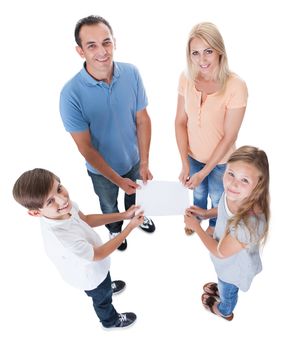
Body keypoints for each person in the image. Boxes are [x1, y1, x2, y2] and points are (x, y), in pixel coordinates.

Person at [60, 15, 155, 251]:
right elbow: (86, 148)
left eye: (106, 42)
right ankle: (116, 231)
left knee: (135, 197)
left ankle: (137, 219)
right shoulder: (70, 94)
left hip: (133, 161)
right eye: (91, 45)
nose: (102, 51)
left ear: (114, 42)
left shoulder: (131, 73)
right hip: (102, 173)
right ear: (80, 51)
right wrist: (116, 179)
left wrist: (144, 162)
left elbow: (142, 120)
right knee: (109, 204)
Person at [12, 168, 144, 329]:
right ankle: (110, 321)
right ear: (35, 213)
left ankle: (107, 286)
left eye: (59, 188)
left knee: (105, 282)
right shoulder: (63, 238)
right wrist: (129, 228)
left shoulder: (64, 208)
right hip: (91, 277)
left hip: (95, 265)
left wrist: (123, 215)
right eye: (50, 201)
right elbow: (99, 254)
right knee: (102, 298)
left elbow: (86, 219)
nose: (62, 200)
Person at [175, 22, 248, 236]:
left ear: (219, 51)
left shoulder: (236, 86)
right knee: (198, 192)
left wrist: (205, 171)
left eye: (208, 51)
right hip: (193, 155)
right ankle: (196, 218)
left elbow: (229, 136)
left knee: (217, 195)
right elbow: (180, 121)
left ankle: (215, 224)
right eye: (195, 53)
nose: (202, 60)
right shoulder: (186, 77)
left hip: (222, 161)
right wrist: (184, 162)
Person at [184, 146, 270, 320]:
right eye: (230, 173)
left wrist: (197, 227)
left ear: (258, 184)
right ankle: (222, 288)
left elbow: (220, 252)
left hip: (233, 269)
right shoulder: (234, 194)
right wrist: (206, 213)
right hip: (227, 262)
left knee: (227, 287)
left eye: (244, 180)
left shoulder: (248, 225)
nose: (233, 183)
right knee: (223, 281)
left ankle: (224, 309)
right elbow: (223, 209)